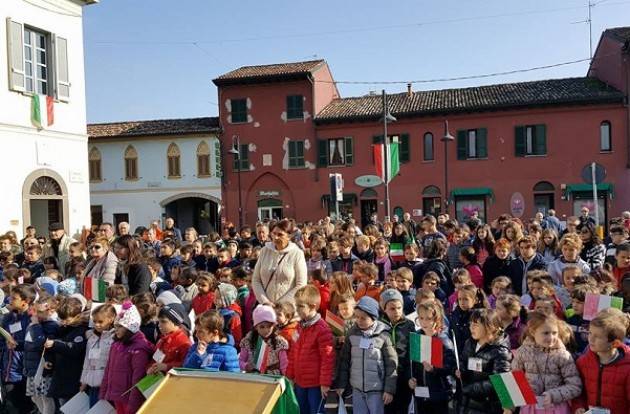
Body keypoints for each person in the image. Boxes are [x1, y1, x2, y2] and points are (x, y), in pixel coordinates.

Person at [509, 311, 582, 414]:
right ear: (533, 332)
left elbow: (575, 386)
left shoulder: (563, 355)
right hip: (530, 408)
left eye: (554, 333)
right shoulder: (523, 352)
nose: (551, 337)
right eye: (546, 333)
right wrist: (509, 406)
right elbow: (513, 379)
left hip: (556, 408)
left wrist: (554, 395)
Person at [335, 296, 397, 414]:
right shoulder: (352, 334)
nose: (359, 320)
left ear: (373, 318)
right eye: (357, 317)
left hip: (376, 390)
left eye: (363, 318)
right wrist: (341, 384)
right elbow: (344, 361)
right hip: (357, 389)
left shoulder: (384, 335)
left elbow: (391, 364)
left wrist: (389, 390)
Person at [286, 285, 334, 414]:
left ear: (313, 306)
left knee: (316, 411)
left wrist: (325, 383)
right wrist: (289, 376)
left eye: (301, 306)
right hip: (300, 382)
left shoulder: (322, 329)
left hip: (315, 384)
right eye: (296, 306)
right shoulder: (299, 327)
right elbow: (293, 353)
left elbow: (327, 358)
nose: (297, 310)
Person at [572, 308, 630, 414]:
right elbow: (578, 391)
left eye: (597, 337)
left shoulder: (627, 367)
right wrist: (578, 407)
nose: (591, 339)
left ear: (615, 343)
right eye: (590, 333)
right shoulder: (583, 362)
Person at [100, 301, 153, 412]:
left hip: (129, 400)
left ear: (130, 328)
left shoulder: (139, 349)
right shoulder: (116, 344)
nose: (116, 329)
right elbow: (108, 370)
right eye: (115, 326)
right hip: (117, 396)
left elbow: (138, 379)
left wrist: (133, 405)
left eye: (120, 326)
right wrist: (104, 391)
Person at [458, 309, 512, 414]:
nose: (471, 327)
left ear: (490, 327)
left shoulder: (500, 351)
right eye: (470, 324)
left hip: (487, 406)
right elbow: (463, 361)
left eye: (476, 325)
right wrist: (460, 370)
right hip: (466, 403)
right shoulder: (470, 343)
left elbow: (499, 381)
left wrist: (470, 389)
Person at [408, 301, 457, 413]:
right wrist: (411, 379)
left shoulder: (442, 340)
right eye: (421, 318)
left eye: (428, 318)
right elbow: (412, 365)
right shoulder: (417, 337)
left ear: (437, 320)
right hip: (420, 394)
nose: (424, 322)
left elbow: (451, 366)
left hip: (439, 394)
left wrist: (434, 369)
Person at [45, 296, 90, 407]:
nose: (64, 322)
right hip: (62, 376)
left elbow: (74, 348)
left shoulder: (83, 330)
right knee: (63, 404)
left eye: (67, 319)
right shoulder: (64, 328)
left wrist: (55, 344)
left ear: (78, 315)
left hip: (74, 378)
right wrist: (49, 359)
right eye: (62, 319)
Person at [252, 219, 307, 306]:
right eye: (274, 233)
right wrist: (265, 301)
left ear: (289, 236)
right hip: (266, 310)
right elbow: (256, 280)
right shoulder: (264, 251)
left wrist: (280, 304)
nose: (275, 237)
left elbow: (301, 284)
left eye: (280, 234)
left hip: (288, 310)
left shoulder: (297, 254)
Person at [0, 284, 37, 413]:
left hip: (24, 371)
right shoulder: (8, 317)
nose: (10, 300)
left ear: (25, 301)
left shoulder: (32, 318)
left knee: (23, 406)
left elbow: (33, 343)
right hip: (8, 369)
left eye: (14, 298)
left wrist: (18, 344)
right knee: (10, 404)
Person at [379, 289, 416, 414]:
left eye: (399, 308)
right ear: (384, 309)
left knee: (402, 407)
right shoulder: (379, 326)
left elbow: (414, 351)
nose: (397, 312)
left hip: (404, 375)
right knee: (387, 408)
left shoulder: (409, 325)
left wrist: (411, 374)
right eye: (392, 309)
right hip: (386, 376)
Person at [24, 295, 59, 414]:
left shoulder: (52, 325)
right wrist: (16, 344)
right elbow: (30, 343)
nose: (36, 314)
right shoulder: (37, 324)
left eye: (40, 311)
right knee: (35, 396)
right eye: (35, 310)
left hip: (43, 368)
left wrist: (35, 326)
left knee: (45, 398)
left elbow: (41, 344)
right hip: (32, 367)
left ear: (51, 311)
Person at [80, 304, 117, 407]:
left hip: (108, 384)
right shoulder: (92, 338)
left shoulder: (114, 338)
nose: (97, 324)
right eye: (95, 321)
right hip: (93, 384)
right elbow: (87, 360)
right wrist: (84, 381)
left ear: (111, 319)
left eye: (100, 322)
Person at [239, 305, 289, 375]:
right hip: (253, 377)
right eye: (262, 327)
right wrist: (246, 366)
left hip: (273, 378)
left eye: (269, 326)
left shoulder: (279, 342)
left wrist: (285, 378)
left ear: (274, 325)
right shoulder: (248, 341)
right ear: (256, 327)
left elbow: (284, 364)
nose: (266, 330)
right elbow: (240, 361)